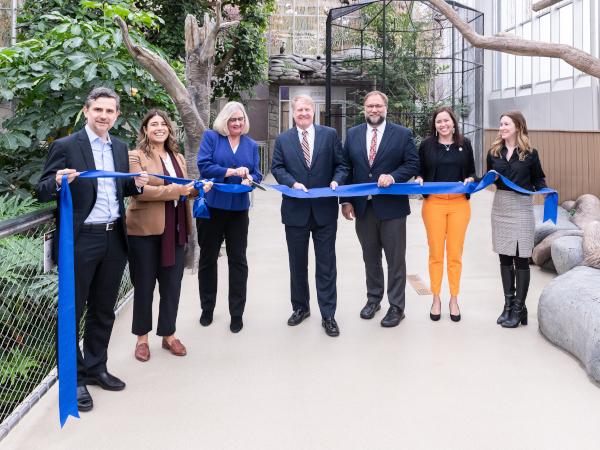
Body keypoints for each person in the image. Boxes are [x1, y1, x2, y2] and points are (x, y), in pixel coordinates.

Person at [35, 87, 148, 412]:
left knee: (103, 309)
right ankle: (75, 380)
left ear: (117, 115)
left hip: (114, 239)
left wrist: (136, 183)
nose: (103, 116)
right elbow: (42, 190)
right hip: (81, 241)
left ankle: (97, 367)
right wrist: (58, 181)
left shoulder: (121, 147)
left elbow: (119, 186)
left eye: (109, 111)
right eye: (98, 110)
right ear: (87, 111)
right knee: (73, 310)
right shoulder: (66, 146)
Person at [127, 109, 212, 362]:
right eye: (153, 124)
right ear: (145, 129)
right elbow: (139, 191)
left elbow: (184, 191)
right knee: (144, 286)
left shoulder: (178, 157)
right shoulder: (135, 156)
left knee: (172, 286)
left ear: (169, 129)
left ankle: (169, 335)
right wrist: (177, 190)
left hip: (176, 230)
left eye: (163, 124)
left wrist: (197, 189)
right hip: (145, 231)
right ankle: (142, 339)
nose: (159, 128)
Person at [341, 90, 419, 327]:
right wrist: (345, 200)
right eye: (369, 106)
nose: (373, 110)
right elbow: (345, 167)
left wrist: (394, 177)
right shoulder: (353, 134)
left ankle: (396, 306)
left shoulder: (402, 134)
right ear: (364, 109)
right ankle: (373, 299)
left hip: (392, 209)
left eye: (378, 106)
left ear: (386, 108)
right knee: (370, 257)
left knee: (395, 259)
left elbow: (413, 163)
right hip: (363, 208)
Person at [271, 94, 347, 337]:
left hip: (325, 211)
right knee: (297, 264)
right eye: (298, 110)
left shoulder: (329, 135)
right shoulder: (283, 139)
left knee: (326, 265)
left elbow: (342, 165)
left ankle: (328, 314)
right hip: (295, 212)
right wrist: (292, 183)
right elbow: (277, 168)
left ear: (314, 111)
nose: (303, 113)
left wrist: (337, 180)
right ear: (293, 113)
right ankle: (300, 308)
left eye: (307, 109)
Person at [196, 101, 262, 333]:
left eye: (240, 119)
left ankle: (237, 313)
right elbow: (203, 165)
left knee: (238, 260)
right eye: (232, 119)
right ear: (224, 120)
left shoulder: (251, 145)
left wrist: (249, 179)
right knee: (208, 259)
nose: (237, 123)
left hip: (238, 211)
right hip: (212, 208)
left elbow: (257, 173)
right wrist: (231, 172)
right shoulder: (211, 138)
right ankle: (207, 308)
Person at [487, 111, 547, 328]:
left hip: (522, 207)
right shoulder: (494, 152)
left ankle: (519, 307)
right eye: (500, 123)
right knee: (504, 257)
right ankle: (508, 305)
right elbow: (489, 179)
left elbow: (538, 178)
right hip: (501, 205)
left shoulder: (530, 153)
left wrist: (545, 190)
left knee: (521, 258)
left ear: (518, 127)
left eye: (506, 124)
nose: (501, 127)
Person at [415, 106, 476, 322]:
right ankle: (436, 298)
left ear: (453, 122)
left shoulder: (465, 144)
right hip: (434, 204)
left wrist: (470, 179)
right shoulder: (427, 146)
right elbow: (420, 170)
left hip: (459, 204)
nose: (443, 125)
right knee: (435, 253)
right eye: (438, 122)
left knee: (454, 254)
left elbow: (471, 172)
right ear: (435, 125)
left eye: (446, 121)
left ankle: (454, 298)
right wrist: (419, 179)